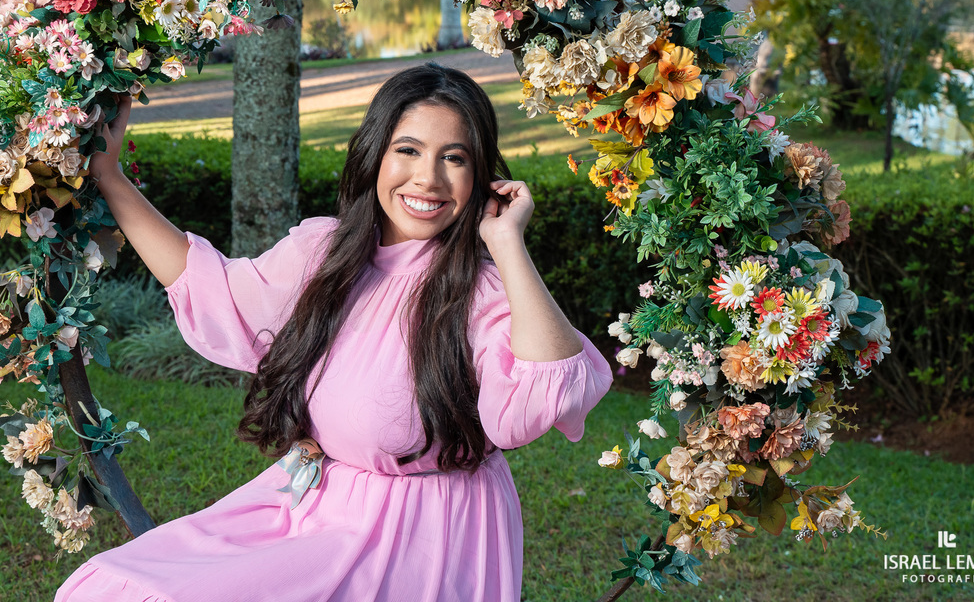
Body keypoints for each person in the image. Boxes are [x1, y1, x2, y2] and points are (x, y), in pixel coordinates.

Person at [56, 63, 613, 602]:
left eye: (455, 159)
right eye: (409, 150)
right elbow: (212, 288)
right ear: (375, 155)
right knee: (118, 586)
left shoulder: (483, 289)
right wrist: (109, 176)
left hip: (425, 534)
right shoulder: (326, 253)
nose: (429, 178)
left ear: (481, 175)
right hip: (312, 505)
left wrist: (508, 243)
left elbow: (536, 398)